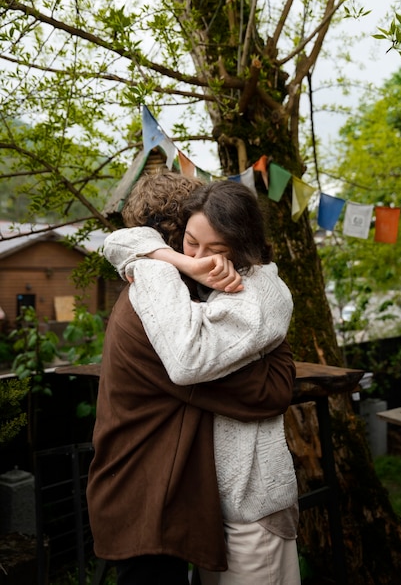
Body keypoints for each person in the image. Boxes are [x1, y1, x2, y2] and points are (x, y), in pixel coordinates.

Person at [103, 176, 300, 585]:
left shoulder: (209, 294)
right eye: (190, 243)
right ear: (175, 234)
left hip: (202, 497)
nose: (201, 258)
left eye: (216, 248)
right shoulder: (155, 290)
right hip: (152, 493)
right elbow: (265, 390)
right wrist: (279, 357)